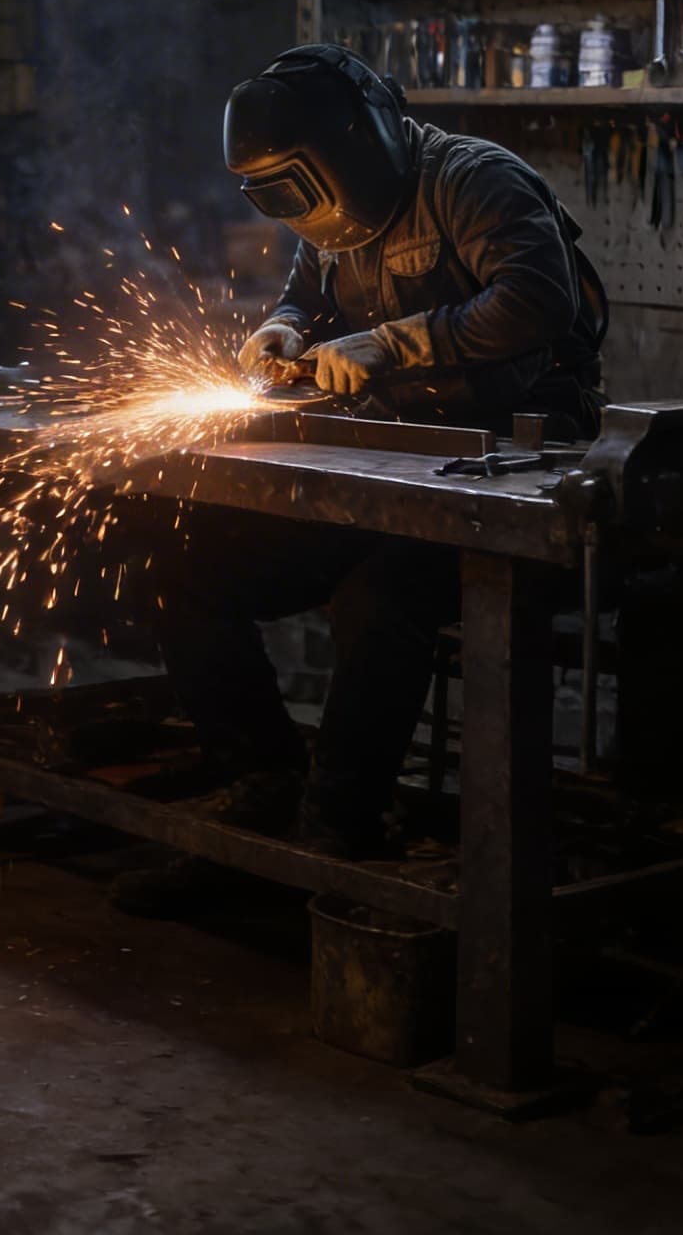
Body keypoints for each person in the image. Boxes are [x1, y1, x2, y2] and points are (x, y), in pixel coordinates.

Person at [119, 43, 607, 874]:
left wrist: (392, 343)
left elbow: (539, 302)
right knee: (186, 566)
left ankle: (340, 820)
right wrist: (285, 329)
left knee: (376, 602)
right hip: (390, 458)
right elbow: (308, 294)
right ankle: (264, 773)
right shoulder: (340, 217)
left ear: (352, 147)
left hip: (507, 467)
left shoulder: (472, 178)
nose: (302, 215)